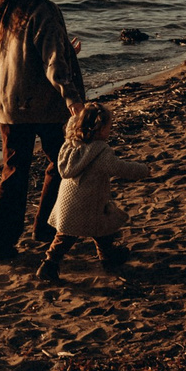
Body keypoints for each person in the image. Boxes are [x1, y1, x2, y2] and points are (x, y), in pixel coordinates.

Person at [0, 0, 87, 259]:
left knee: (14, 172)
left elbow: (29, 56)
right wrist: (75, 103)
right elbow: (53, 64)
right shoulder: (45, 11)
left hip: (8, 104)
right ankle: (47, 227)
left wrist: (67, 50)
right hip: (41, 105)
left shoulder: (9, 10)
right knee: (64, 163)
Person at [39, 101, 144, 283]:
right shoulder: (100, 151)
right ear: (99, 129)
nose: (109, 131)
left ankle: (105, 257)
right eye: (108, 127)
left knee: (87, 232)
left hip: (68, 202)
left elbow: (72, 126)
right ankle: (50, 265)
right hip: (90, 203)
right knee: (87, 232)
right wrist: (143, 170)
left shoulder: (70, 145)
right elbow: (119, 168)